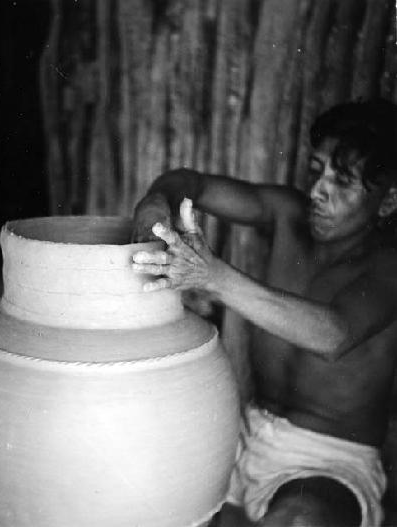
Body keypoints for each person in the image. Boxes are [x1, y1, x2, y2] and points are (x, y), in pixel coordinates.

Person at [131, 99, 397, 527]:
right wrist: (155, 202)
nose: (317, 191)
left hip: (327, 465)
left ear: (387, 202)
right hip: (243, 433)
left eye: (342, 182)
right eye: (316, 171)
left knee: (299, 520)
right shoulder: (287, 212)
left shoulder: (388, 265)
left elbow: (333, 335)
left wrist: (213, 277)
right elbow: (192, 183)